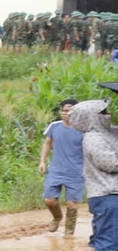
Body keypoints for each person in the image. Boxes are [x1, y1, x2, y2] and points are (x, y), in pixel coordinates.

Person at [69, 96, 118, 251]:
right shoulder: (94, 139)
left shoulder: (107, 133)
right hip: (108, 194)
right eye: (103, 112)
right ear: (91, 117)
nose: (107, 115)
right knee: (108, 241)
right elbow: (111, 163)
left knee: (98, 238)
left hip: (106, 195)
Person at [40, 99, 84, 235]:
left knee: (72, 204)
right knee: (49, 200)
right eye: (63, 110)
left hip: (76, 171)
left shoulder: (83, 129)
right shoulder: (54, 126)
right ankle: (57, 217)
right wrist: (42, 161)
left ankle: (69, 233)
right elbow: (47, 143)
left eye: (69, 110)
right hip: (56, 169)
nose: (65, 113)